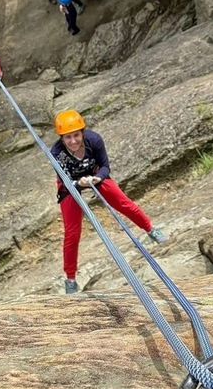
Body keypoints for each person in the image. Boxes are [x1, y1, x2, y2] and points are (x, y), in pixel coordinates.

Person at [51, 110, 168, 294]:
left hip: (95, 174)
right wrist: (78, 183)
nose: (73, 141)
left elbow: (105, 166)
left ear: (82, 132)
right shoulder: (56, 153)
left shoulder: (94, 140)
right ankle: (71, 279)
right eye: (67, 138)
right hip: (71, 184)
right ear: (61, 138)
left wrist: (97, 178)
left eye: (76, 135)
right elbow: (64, 179)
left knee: (124, 203)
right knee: (72, 233)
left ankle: (151, 229)